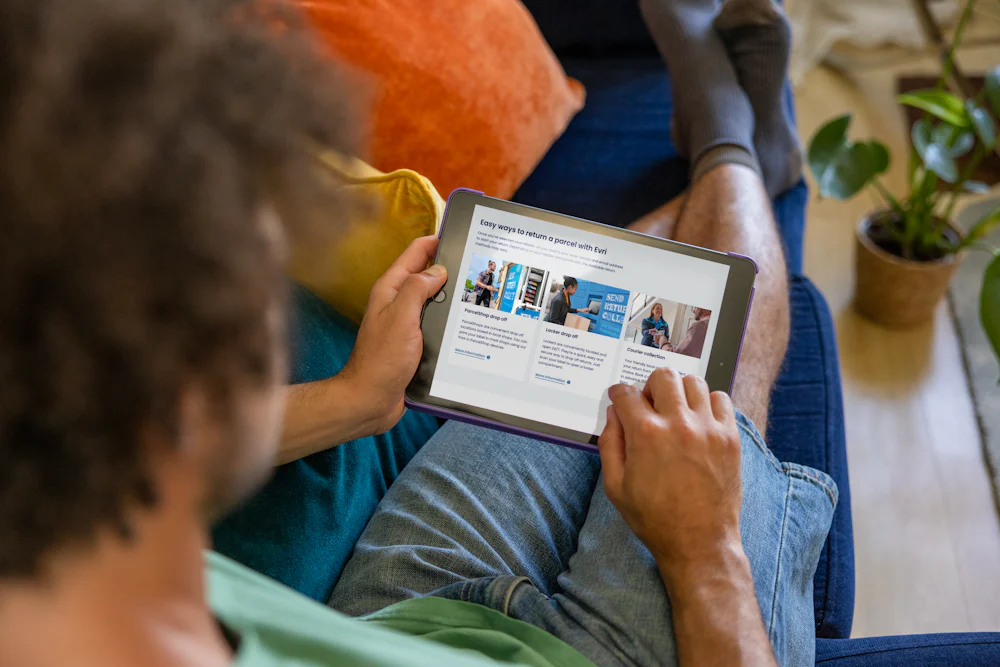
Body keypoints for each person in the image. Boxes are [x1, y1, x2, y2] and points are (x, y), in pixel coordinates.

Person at [0, 3, 837, 667]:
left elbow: (142, 440)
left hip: (397, 612)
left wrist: (349, 400)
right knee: (710, 371)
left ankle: (731, 142)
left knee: (649, 300)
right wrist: (706, 556)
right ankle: (734, 141)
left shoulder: (52, 510)